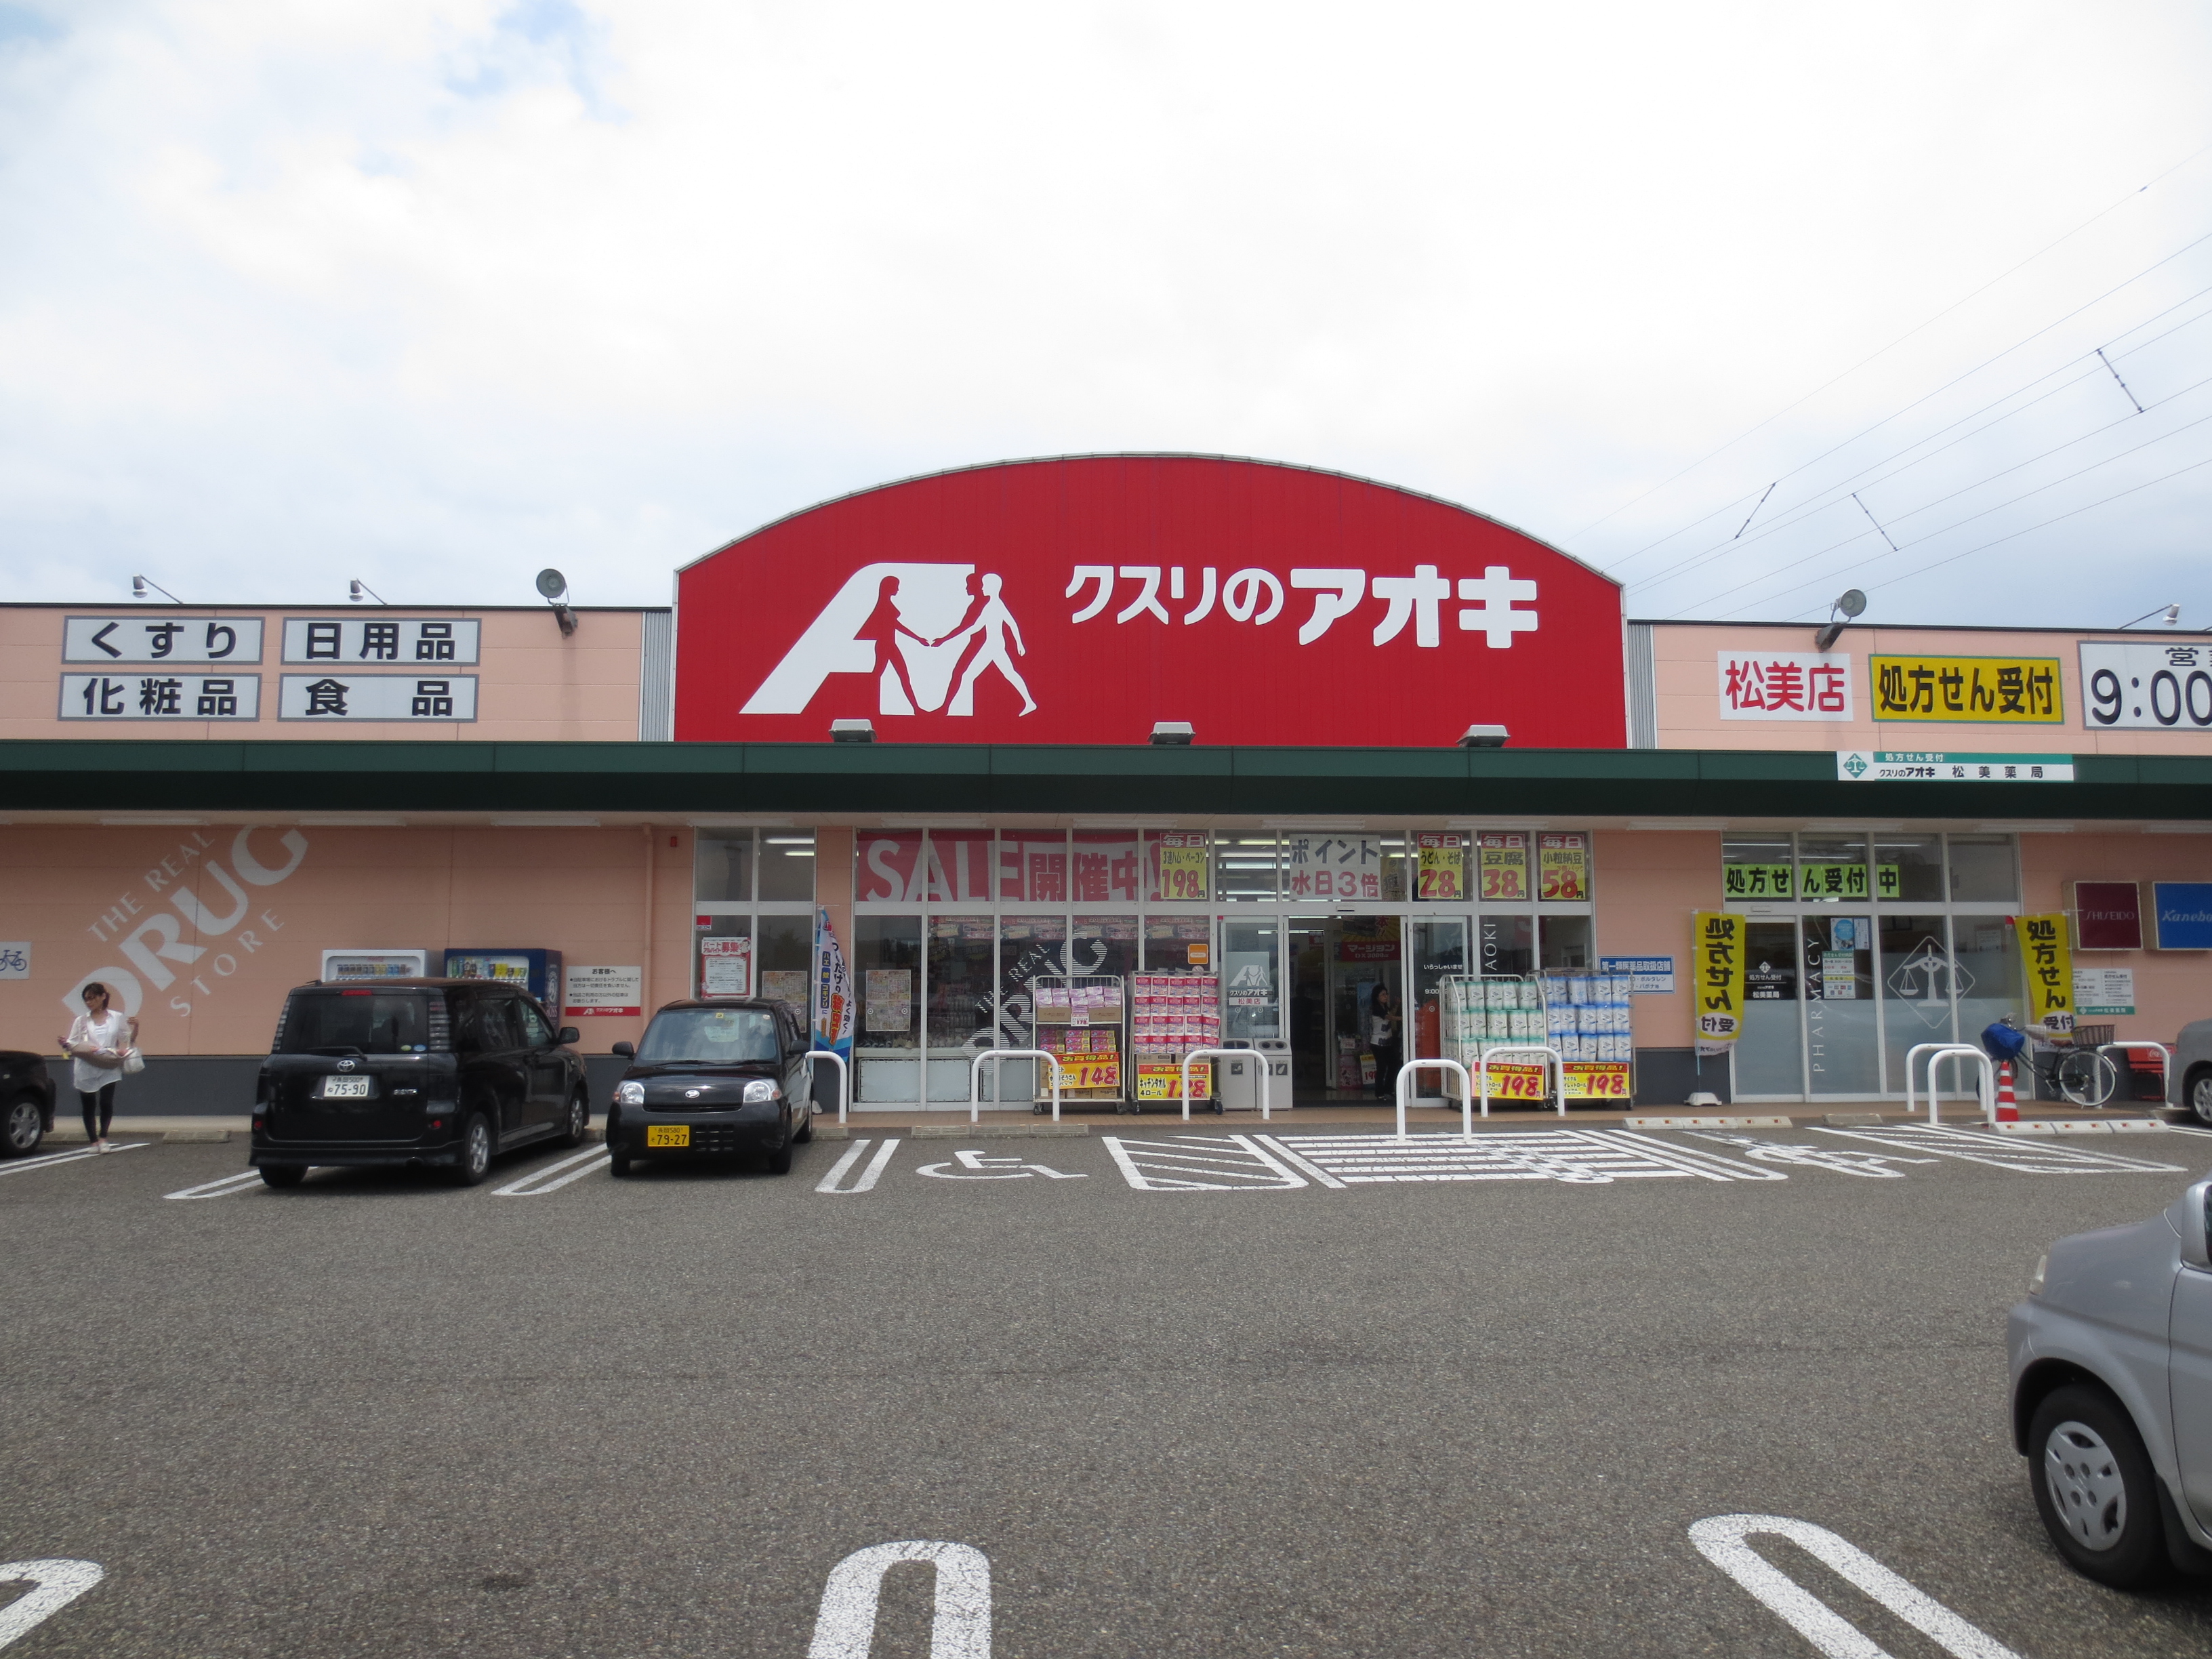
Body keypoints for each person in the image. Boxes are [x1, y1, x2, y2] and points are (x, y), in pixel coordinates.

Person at [58, 981, 138, 1150]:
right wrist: (66, 1043)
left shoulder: (116, 1017)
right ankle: (93, 1141)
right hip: (86, 1065)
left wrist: (136, 1027)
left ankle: (103, 1138)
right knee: (88, 1104)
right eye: (86, 999)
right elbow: (72, 1043)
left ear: (103, 997)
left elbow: (128, 1038)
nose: (89, 1002)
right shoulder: (81, 1021)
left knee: (106, 1103)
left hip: (108, 1064)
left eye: (92, 998)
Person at [1368, 985, 1402, 1102]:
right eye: (1382, 994)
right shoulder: (1377, 1009)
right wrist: (1403, 1018)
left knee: (1394, 1065)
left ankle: (1388, 1089)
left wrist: (1397, 1005)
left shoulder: (1385, 1007)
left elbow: (1390, 1014)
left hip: (1388, 1042)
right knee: (1382, 1068)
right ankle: (1379, 1093)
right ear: (1377, 997)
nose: (1386, 996)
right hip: (1378, 1044)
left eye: (1386, 994)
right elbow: (1389, 1017)